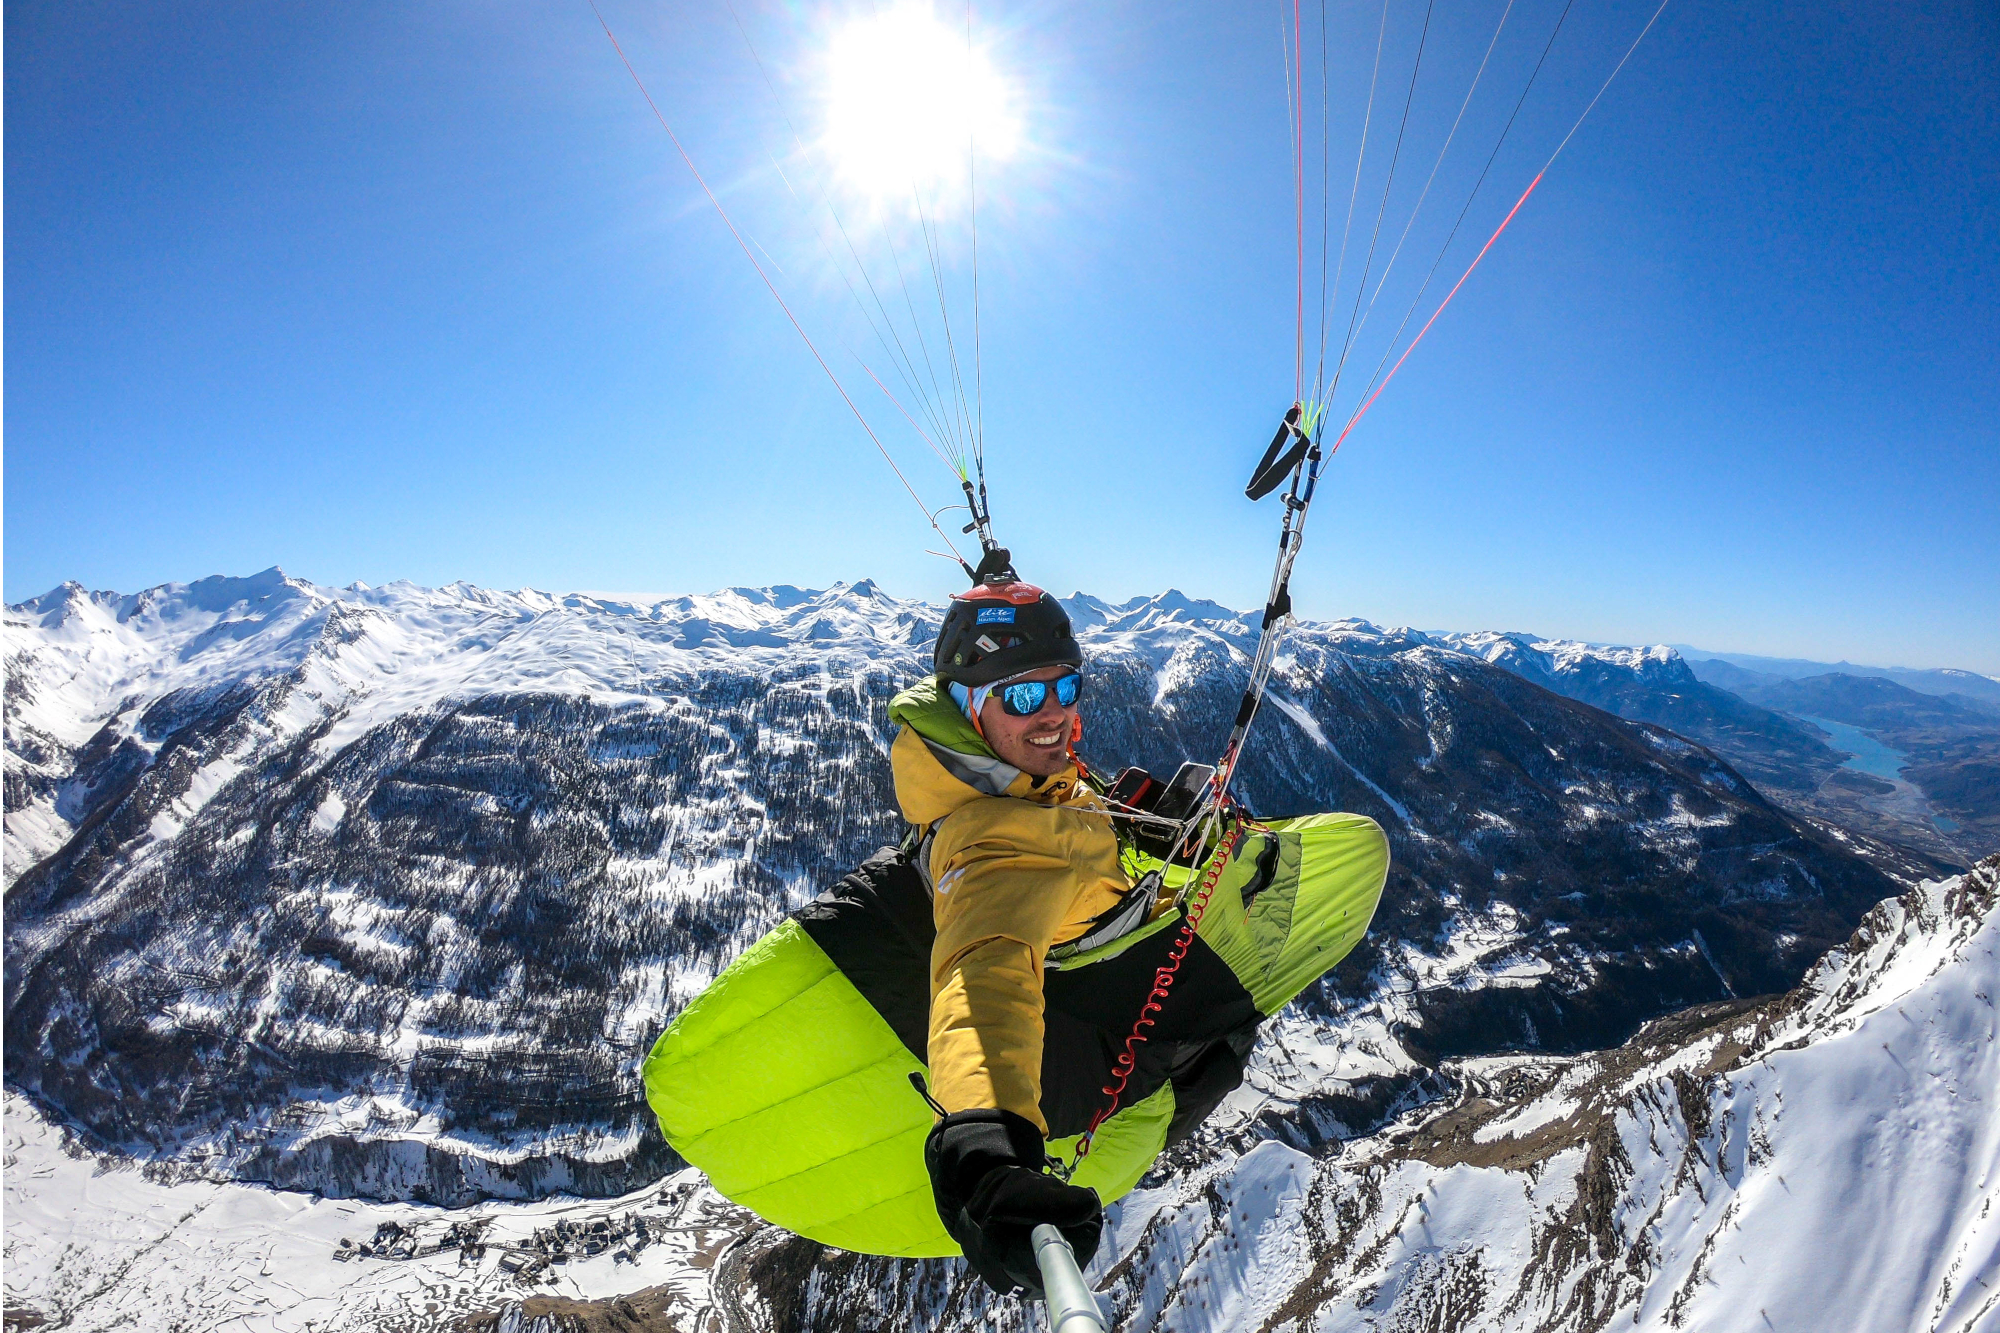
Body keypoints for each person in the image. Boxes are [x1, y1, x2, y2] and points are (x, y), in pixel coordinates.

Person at [887, 552, 1145, 1297]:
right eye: (1025, 693)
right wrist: (986, 1142)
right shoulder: (989, 842)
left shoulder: (1021, 777)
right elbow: (983, 970)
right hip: (1095, 1011)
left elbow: (1068, 814)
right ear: (969, 708)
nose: (1054, 711)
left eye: (1066, 685)